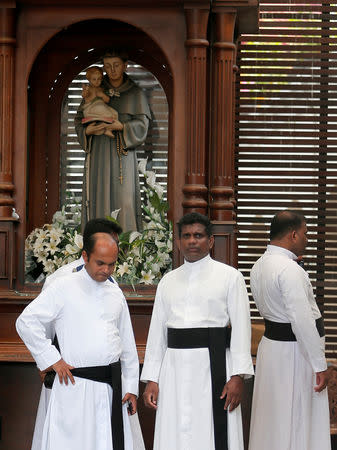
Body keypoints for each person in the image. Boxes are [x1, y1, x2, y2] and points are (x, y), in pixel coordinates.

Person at [16, 233, 141, 450]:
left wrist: (131, 386)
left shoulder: (115, 293)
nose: (106, 270)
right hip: (74, 385)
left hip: (110, 389)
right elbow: (26, 322)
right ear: (85, 256)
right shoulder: (63, 287)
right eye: (100, 263)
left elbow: (127, 343)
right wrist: (52, 359)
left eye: (112, 265)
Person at [141, 212, 254, 450]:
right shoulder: (167, 281)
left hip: (214, 368)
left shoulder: (230, 277)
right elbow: (157, 334)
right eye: (187, 236)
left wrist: (237, 376)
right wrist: (152, 378)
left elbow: (242, 330)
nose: (192, 241)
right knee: (176, 428)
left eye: (199, 235)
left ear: (210, 241)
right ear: (179, 241)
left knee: (212, 430)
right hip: (174, 370)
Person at [248, 210, 331, 450]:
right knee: (296, 415)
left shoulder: (259, 265)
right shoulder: (289, 270)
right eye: (305, 233)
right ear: (293, 235)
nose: (307, 238)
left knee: (274, 417)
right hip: (296, 353)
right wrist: (320, 365)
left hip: (273, 349)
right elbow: (302, 321)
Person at [75, 49, 151, 232]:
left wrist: (122, 127)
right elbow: (80, 119)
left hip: (122, 154)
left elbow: (142, 125)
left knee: (124, 199)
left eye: (116, 65)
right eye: (108, 66)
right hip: (98, 154)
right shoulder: (96, 89)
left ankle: (126, 253)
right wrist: (88, 130)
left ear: (125, 66)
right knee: (98, 197)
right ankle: (97, 247)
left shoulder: (135, 93)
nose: (112, 70)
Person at [81, 66, 119, 138]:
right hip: (90, 109)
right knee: (104, 111)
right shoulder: (89, 89)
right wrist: (85, 92)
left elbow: (107, 100)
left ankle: (108, 129)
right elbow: (84, 95)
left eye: (99, 79)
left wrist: (103, 96)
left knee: (115, 113)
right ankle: (101, 129)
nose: (97, 81)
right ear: (89, 79)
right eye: (94, 79)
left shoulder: (101, 89)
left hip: (101, 107)